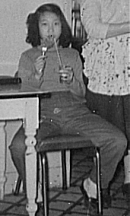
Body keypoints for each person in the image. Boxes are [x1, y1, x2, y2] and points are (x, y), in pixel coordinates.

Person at [9, 3, 127, 215]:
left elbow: (82, 94)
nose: (51, 29)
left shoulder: (72, 55)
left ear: (62, 28)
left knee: (118, 140)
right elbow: (24, 93)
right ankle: (33, 188)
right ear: (37, 29)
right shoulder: (28, 57)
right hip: (42, 114)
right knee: (18, 146)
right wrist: (37, 76)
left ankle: (93, 184)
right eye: (45, 25)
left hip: (75, 112)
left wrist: (72, 80)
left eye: (55, 24)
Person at [75, 0, 130, 211]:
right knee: (110, 129)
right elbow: (94, 28)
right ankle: (98, 182)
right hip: (106, 69)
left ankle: (128, 181)